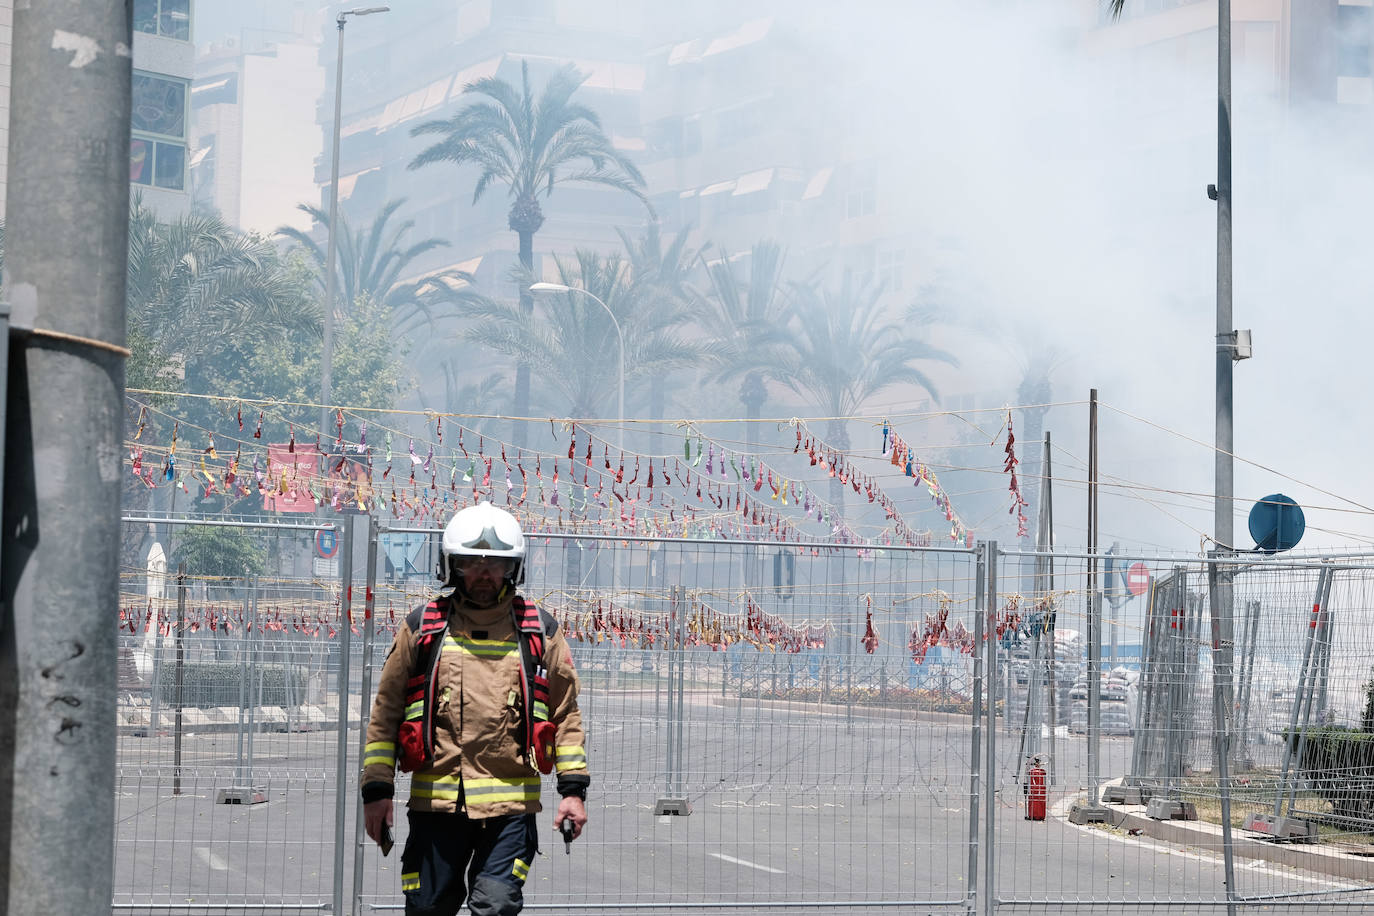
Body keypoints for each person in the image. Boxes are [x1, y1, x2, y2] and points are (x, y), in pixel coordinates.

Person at [361, 501, 588, 916]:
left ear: (512, 568)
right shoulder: (422, 627)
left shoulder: (540, 631)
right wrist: (377, 791)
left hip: (510, 810)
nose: (484, 573)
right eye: (471, 562)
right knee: (428, 908)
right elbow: (386, 715)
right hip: (436, 805)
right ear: (451, 566)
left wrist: (573, 792)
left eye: (495, 563)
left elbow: (565, 715)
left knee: (496, 906)